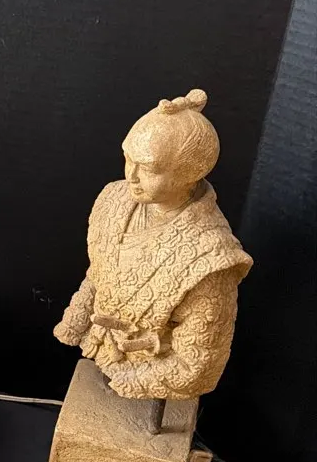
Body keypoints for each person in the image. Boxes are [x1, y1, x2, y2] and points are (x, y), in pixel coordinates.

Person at [54, 89, 252, 400]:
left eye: (148, 168)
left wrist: (129, 380)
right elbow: (101, 269)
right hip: (101, 344)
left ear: (190, 172)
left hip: (149, 366)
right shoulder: (114, 199)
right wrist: (77, 318)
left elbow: (198, 364)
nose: (131, 176)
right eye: (127, 159)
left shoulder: (210, 261)